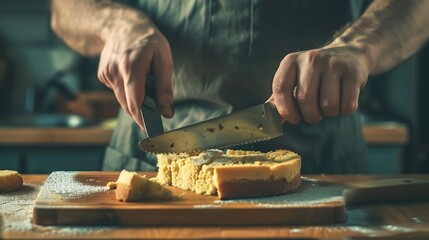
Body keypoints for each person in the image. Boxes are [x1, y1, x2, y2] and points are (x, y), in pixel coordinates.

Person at [50, 0, 429, 174]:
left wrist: (357, 48)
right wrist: (114, 23)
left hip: (322, 164)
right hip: (149, 167)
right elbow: (64, 9)